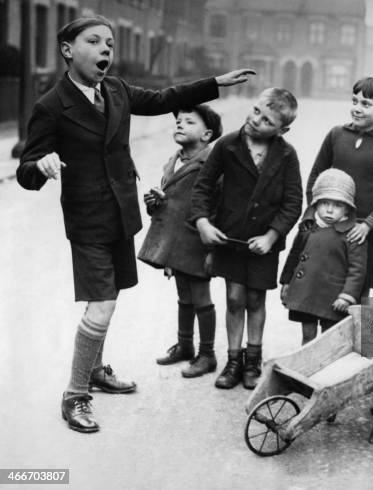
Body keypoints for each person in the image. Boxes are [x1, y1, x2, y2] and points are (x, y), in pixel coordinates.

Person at [16, 15, 254, 433]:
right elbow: (26, 172)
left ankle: (94, 369)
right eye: (95, 41)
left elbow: (165, 98)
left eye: (110, 42)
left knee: (109, 297)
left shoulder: (116, 89)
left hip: (121, 212)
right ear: (68, 50)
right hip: (87, 218)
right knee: (102, 303)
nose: (107, 48)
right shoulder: (51, 106)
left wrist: (215, 83)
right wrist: (41, 163)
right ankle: (75, 395)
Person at [190, 87, 302, 390]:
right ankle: (234, 360)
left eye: (267, 120)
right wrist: (202, 222)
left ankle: (253, 360)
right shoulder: (226, 146)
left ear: (282, 129)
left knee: (255, 299)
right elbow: (202, 187)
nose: (256, 121)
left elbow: (293, 202)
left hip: (263, 245)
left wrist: (271, 235)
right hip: (231, 240)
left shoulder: (287, 155)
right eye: (256, 111)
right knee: (234, 297)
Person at [138, 104, 222, 378]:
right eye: (178, 121)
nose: (180, 125)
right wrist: (154, 203)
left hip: (197, 240)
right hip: (174, 240)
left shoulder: (212, 164)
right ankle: (185, 345)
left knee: (200, 296)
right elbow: (169, 198)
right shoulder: (172, 160)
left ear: (207, 134)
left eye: (189, 122)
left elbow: (218, 206)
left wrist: (213, 249)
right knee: (183, 295)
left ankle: (207, 354)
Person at [306, 77, 373, 298]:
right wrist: (314, 214)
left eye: (366, 104)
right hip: (330, 227)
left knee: (355, 298)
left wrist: (368, 225)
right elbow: (315, 177)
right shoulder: (336, 135)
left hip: (364, 235)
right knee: (322, 292)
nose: (357, 109)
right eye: (354, 101)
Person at [280, 169, 367, 345]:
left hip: (333, 297)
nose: (329, 210)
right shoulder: (308, 227)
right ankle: (305, 366)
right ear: (316, 203)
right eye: (325, 203)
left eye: (337, 205)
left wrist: (347, 296)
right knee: (308, 335)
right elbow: (294, 255)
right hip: (307, 292)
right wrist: (287, 282)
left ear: (348, 209)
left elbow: (357, 270)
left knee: (330, 340)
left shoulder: (352, 234)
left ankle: (326, 370)